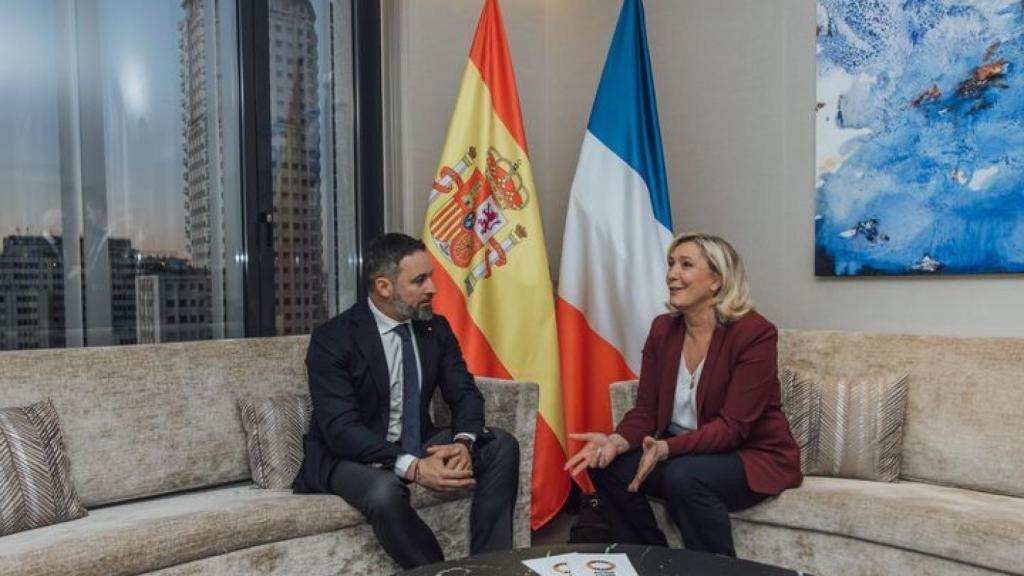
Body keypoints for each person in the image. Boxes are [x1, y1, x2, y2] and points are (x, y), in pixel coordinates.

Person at [564, 232, 802, 557]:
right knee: (605, 463)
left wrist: (666, 448)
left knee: (684, 476)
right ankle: (653, 561)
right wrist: (615, 441)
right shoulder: (663, 330)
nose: (672, 274)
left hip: (750, 456)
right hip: (685, 454)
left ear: (717, 280)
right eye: (671, 264)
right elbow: (646, 411)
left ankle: (715, 570)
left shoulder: (754, 334)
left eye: (686, 265)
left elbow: (734, 428)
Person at [293, 233, 520, 569]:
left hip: (416, 440)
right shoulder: (333, 339)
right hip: (346, 456)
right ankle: (440, 571)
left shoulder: (435, 329)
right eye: (420, 280)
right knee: (384, 491)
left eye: (430, 277)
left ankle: (489, 567)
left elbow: (464, 393)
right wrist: (412, 467)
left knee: (501, 445)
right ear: (384, 287)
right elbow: (340, 429)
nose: (433, 288)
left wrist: (463, 443)